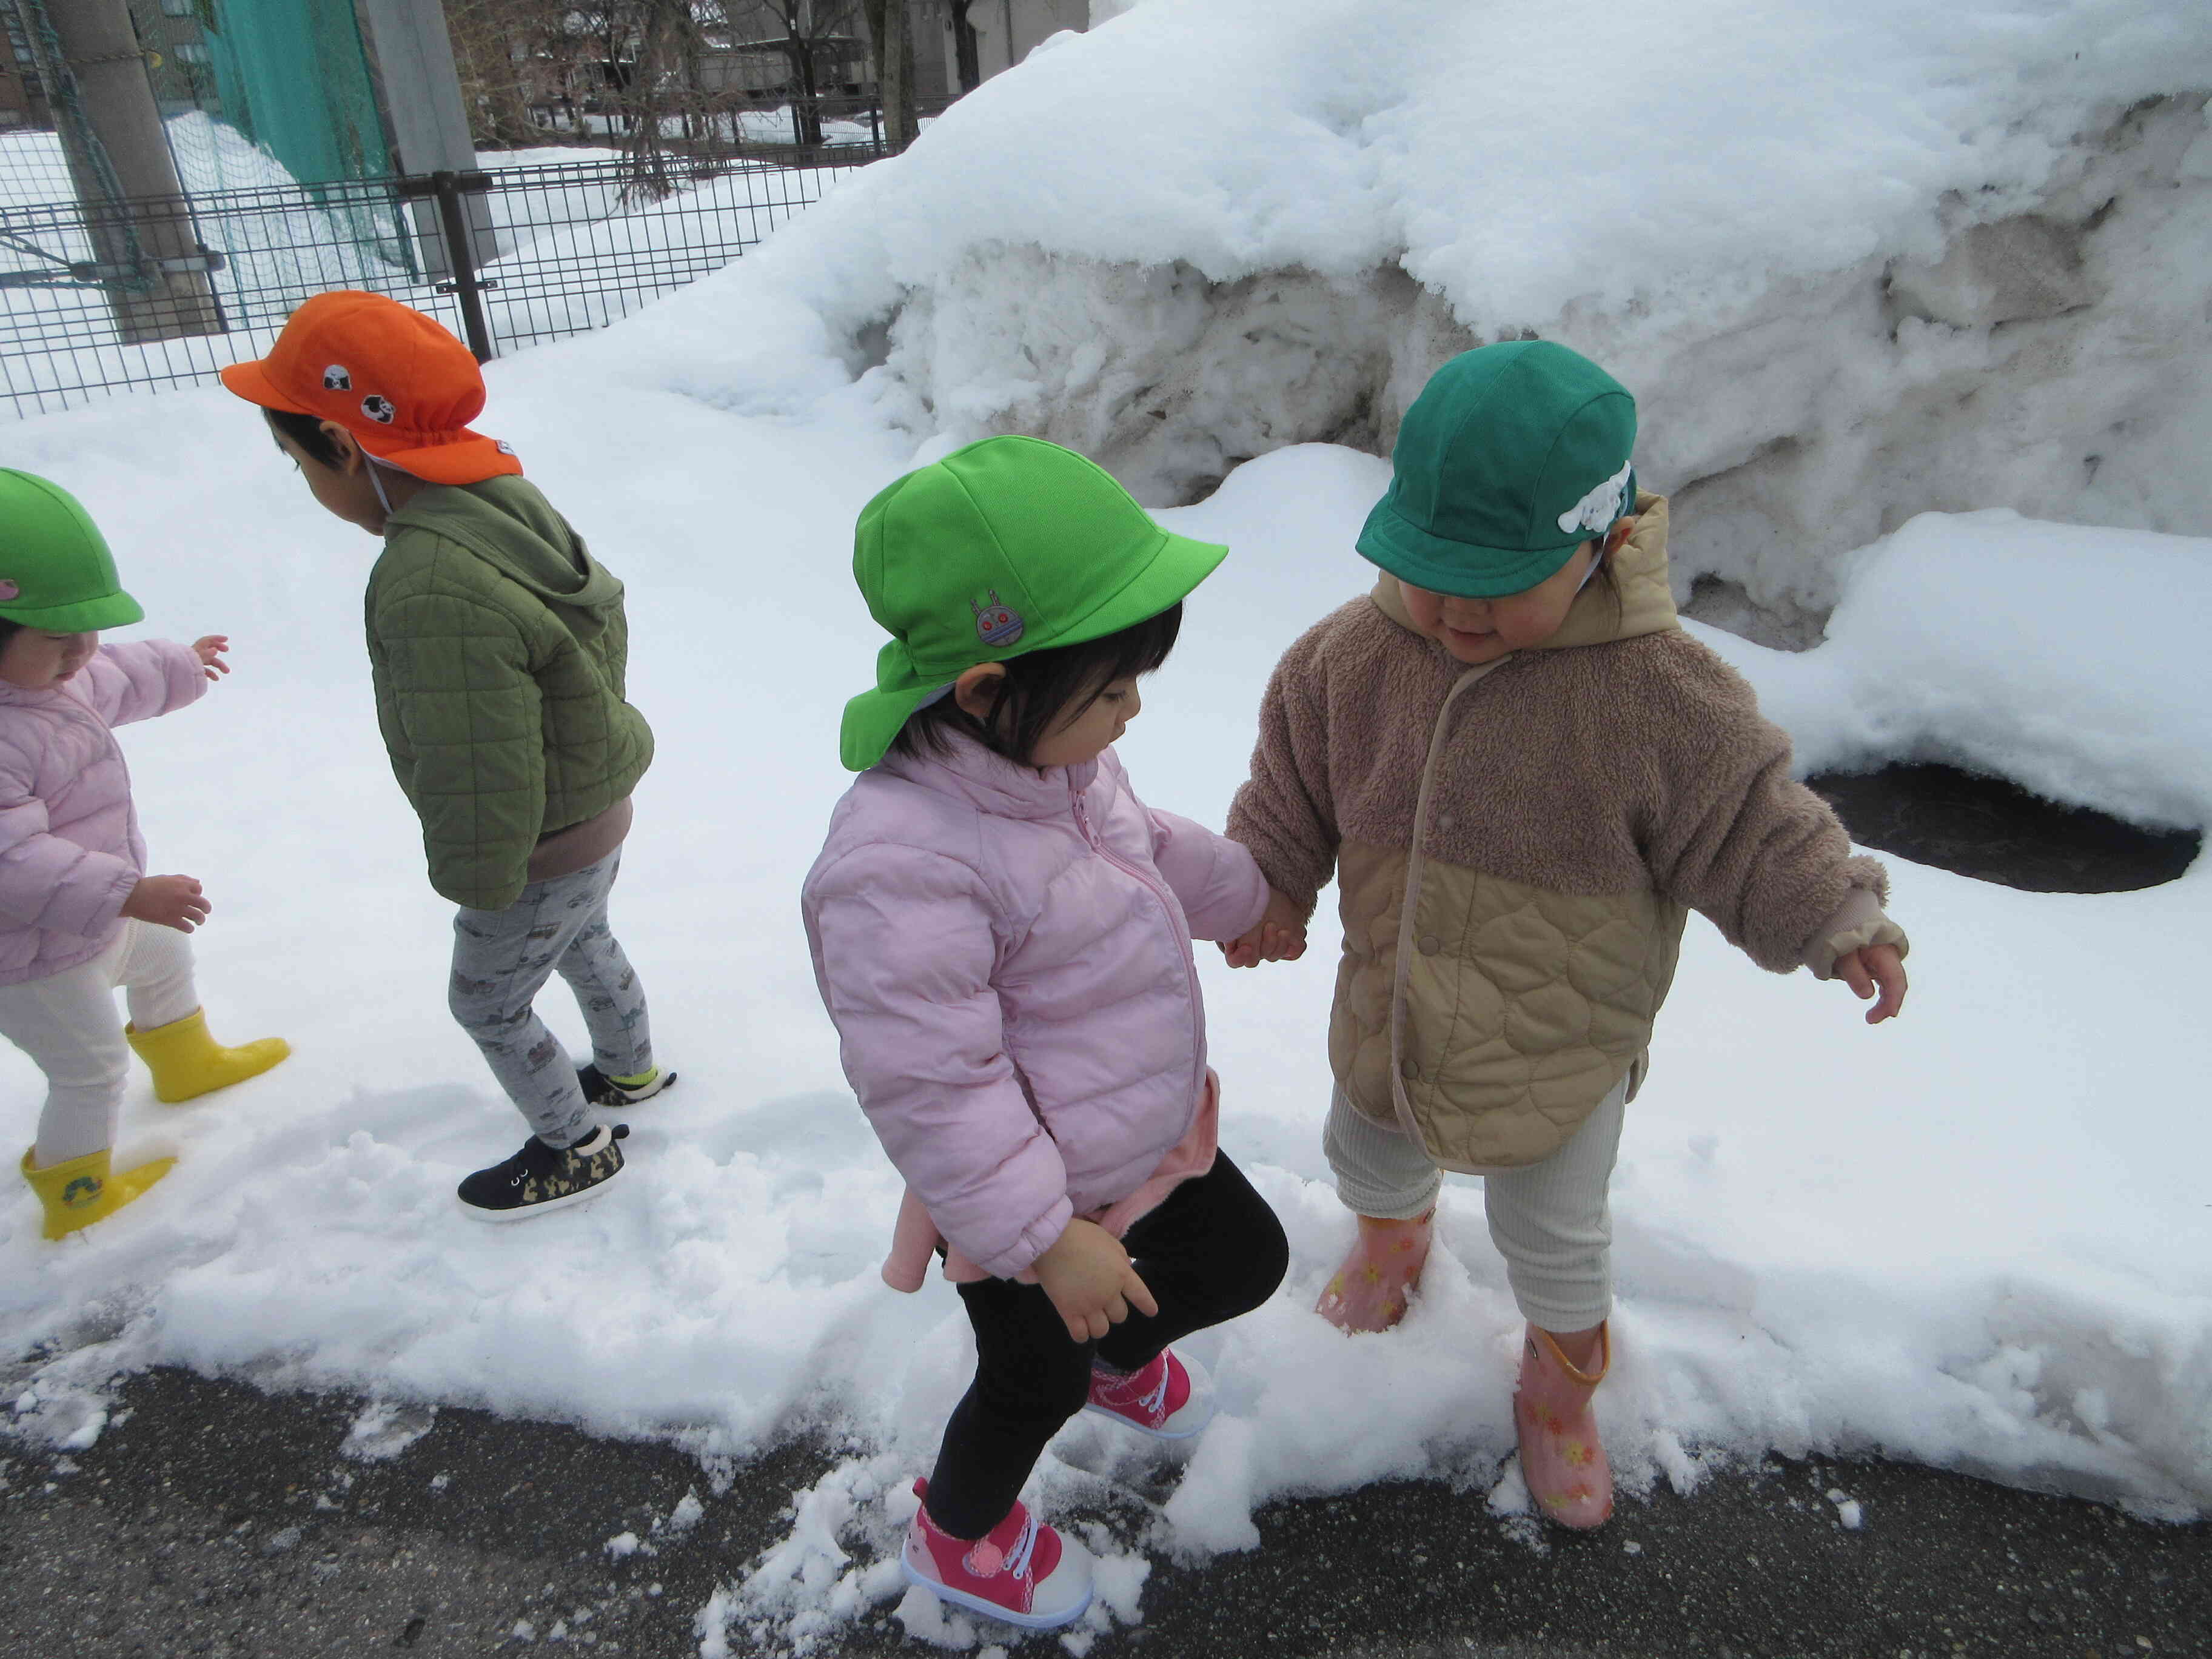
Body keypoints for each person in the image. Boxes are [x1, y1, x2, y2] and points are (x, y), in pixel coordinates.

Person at [1222, 341, 1911, 1529]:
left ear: (1600, 541)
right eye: (1432, 569)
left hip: (1563, 1036)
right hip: (1390, 1004)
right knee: (1369, 1151)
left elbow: (1750, 823)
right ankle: (1391, 1245)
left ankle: (1558, 1380)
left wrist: (1836, 916)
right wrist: (1271, 886)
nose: (1453, 609)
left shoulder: (1657, 694)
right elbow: (1292, 783)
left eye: (1496, 582)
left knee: (1553, 1234)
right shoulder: (1353, 658)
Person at [803, 436, 1294, 1631]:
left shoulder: (1055, 765)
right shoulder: (900, 867)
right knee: (1032, 1383)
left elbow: (1146, 844)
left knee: (1243, 1257)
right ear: (984, 690)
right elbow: (936, 1086)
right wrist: (1042, 1237)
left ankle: (1122, 1352)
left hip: (1142, 1135)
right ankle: (958, 1535)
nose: (1131, 714)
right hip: (1028, 1208)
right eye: (1113, 689)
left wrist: (1243, 894)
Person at [219, 291, 668, 1221]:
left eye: (297, 457)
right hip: (596, 806)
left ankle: (575, 1147)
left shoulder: (426, 582)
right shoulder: (502, 499)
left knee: (490, 1004)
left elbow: (475, 755)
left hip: (534, 839)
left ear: (343, 447)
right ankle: (630, 1072)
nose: (304, 479)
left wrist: (478, 874)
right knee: (587, 939)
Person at [1, 469, 290, 1239]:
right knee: (89, 1070)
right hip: (25, 959)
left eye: (84, 633)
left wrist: (183, 664)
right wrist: (127, 891)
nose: (79, 656)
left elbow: (111, 677)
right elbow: (11, 860)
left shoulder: (44, 681)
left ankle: (186, 1062)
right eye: (58, 641)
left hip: (81, 922)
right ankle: (76, 1193)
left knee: (161, 954)